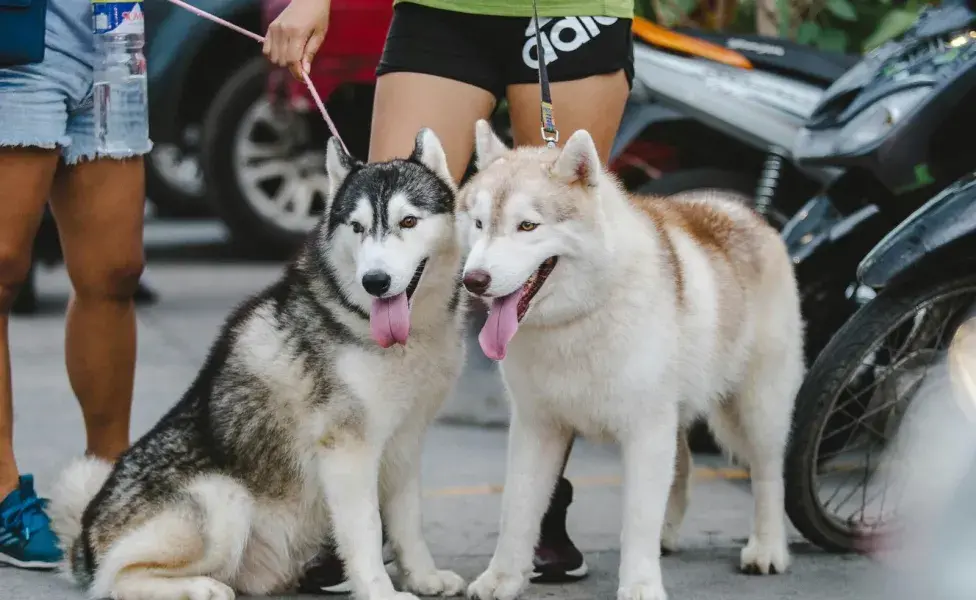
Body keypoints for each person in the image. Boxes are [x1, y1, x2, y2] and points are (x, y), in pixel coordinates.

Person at [264, 0, 633, 591]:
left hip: (570, 12)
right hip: (441, 10)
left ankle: (542, 511)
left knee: (546, 246)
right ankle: (363, 523)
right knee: (389, 229)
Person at [0, 0, 149, 568]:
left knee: (115, 270)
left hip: (113, 29)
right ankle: (1, 493)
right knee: (2, 268)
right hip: (18, 35)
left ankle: (109, 480)